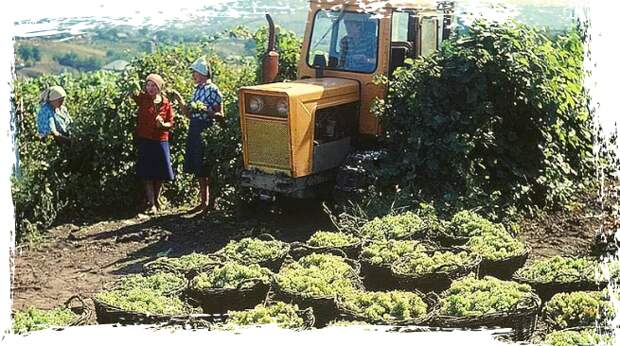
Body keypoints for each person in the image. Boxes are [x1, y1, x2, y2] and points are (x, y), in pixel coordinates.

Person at [170, 56, 223, 214]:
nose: (193, 76)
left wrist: (207, 111)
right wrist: (179, 99)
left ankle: (210, 202)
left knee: (207, 166)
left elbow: (220, 114)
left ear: (202, 73)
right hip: (195, 128)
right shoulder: (197, 90)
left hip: (206, 129)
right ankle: (203, 201)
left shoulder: (213, 90)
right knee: (199, 167)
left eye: (195, 73)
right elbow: (188, 114)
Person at [130, 74, 175, 214]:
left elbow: (171, 122)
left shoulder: (166, 103)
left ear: (159, 87)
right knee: (147, 173)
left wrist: (163, 124)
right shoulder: (142, 98)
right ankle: (151, 203)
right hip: (145, 139)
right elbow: (132, 92)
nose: (150, 88)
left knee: (160, 172)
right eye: (148, 85)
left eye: (154, 85)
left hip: (161, 140)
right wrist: (130, 84)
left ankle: (157, 199)